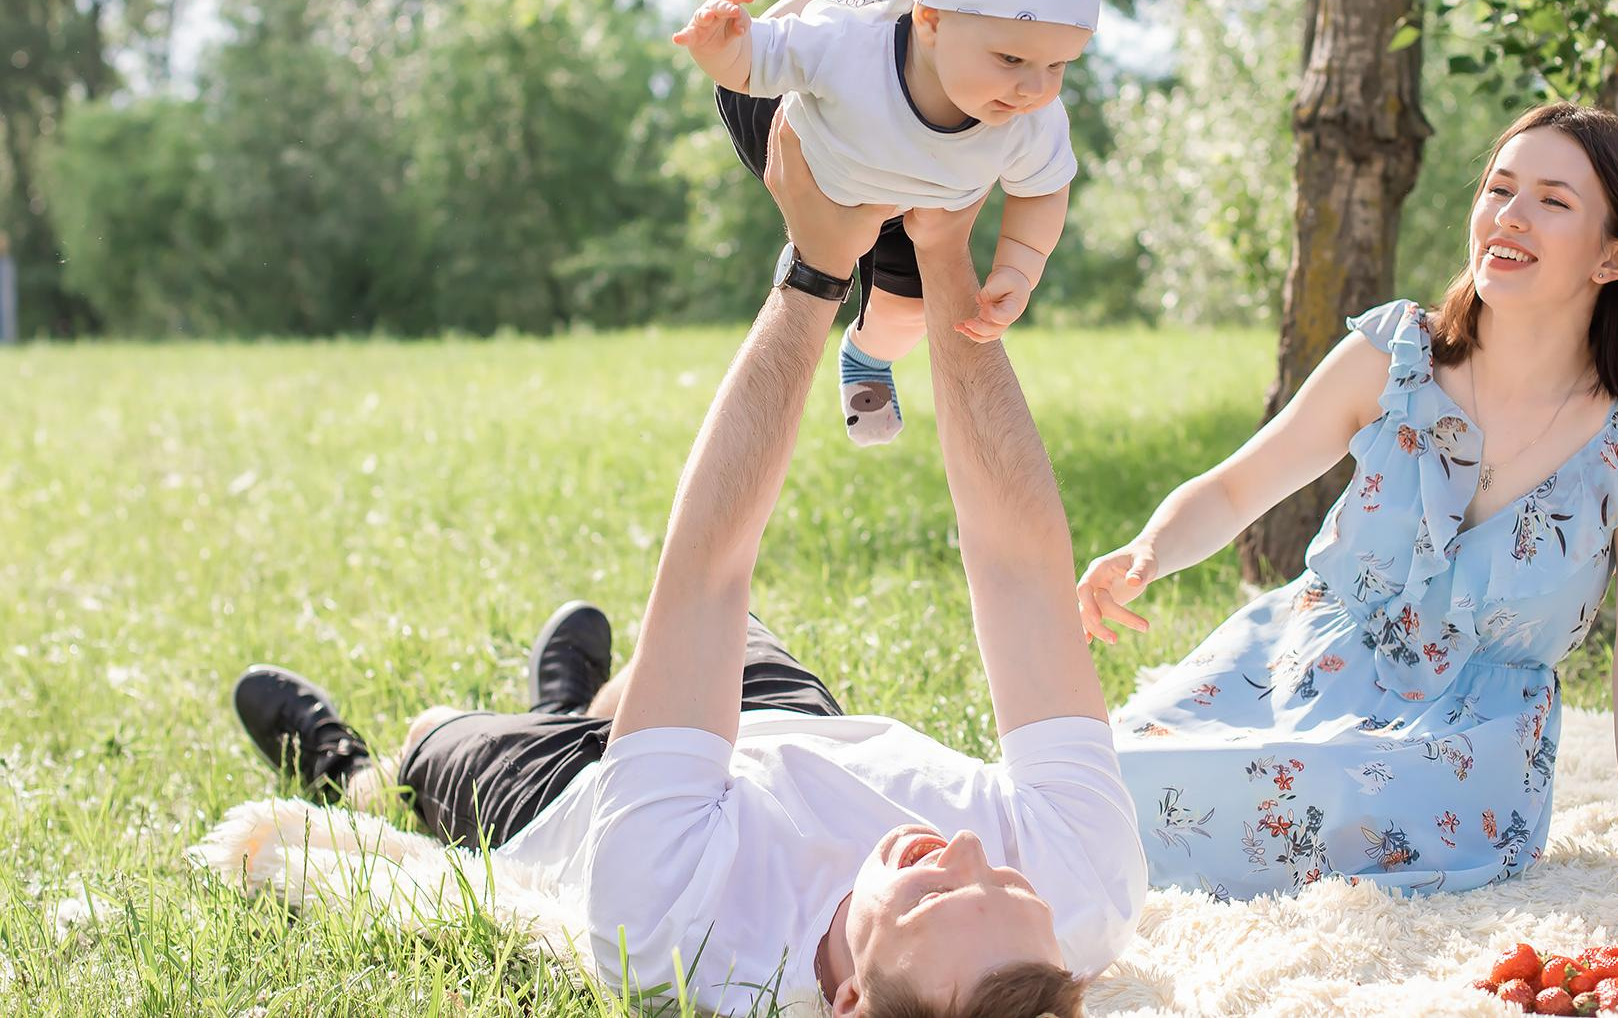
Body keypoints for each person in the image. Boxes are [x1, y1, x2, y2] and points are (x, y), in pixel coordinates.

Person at [228, 116, 1146, 1016]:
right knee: (730, 643)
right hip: (784, 728)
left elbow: (708, 566)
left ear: (853, 1002)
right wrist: (944, 253)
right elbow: (1021, 564)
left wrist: (816, 269)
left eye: (937, 895)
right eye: (1009, 884)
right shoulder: (1082, 892)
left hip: (578, 809)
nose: (967, 851)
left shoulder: (674, 932)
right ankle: (584, 701)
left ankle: (355, 759)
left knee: (432, 740)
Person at [1077, 103, 1618, 901]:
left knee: (1322, 787)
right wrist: (1149, 550)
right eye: (1498, 188)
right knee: (1100, 777)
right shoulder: (1392, 357)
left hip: (1462, 743)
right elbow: (1237, 486)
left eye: (1553, 201)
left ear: (1616, 255)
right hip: (1293, 666)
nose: (1510, 216)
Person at [674, 0, 1098, 448]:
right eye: (1012, 58)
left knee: (909, 314)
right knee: (801, 26)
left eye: (1058, 66)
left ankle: (866, 356)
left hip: (907, 202)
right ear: (931, 20)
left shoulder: (1031, 119)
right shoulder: (850, 46)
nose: (1033, 87)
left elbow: (1043, 188)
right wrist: (721, 48)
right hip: (800, 128)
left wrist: (1020, 267)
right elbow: (759, 60)